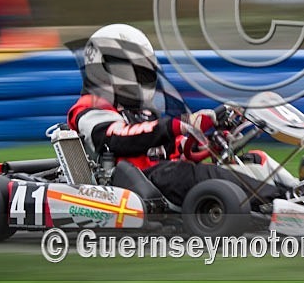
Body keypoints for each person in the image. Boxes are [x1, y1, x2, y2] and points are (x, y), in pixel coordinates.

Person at [67, 24, 280, 210]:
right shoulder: (90, 107)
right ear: (102, 68)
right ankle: (277, 201)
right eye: (131, 73)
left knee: (256, 159)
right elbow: (116, 138)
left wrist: (206, 144)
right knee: (188, 173)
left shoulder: (142, 113)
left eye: (143, 74)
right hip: (132, 183)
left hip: (162, 177)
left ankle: (295, 194)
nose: (138, 80)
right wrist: (179, 124)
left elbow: (171, 149)